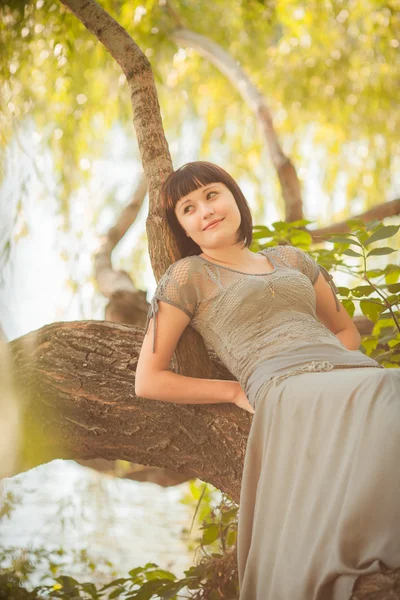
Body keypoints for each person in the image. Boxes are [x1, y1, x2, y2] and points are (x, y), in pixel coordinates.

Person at [135, 161, 400, 600]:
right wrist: (233, 390)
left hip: (348, 375)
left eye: (212, 195)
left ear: (235, 197)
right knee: (390, 388)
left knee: (388, 385)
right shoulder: (188, 276)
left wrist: (342, 375)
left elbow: (345, 330)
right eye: (188, 208)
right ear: (182, 228)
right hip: (281, 384)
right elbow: (148, 379)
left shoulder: (292, 259)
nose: (205, 210)